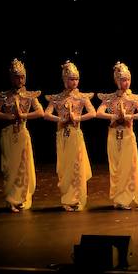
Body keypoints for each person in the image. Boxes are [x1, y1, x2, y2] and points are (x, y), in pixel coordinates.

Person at [0, 58, 43, 212]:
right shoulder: (4, 96)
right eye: (16, 77)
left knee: (23, 167)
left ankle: (21, 199)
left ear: (25, 77)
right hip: (8, 135)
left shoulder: (29, 95)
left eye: (21, 76)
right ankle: (11, 199)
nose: (19, 80)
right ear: (11, 78)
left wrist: (24, 116)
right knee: (10, 168)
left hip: (22, 133)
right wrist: (9, 117)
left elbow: (40, 112)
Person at [44, 61, 96, 211]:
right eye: (71, 79)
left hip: (75, 135)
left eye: (76, 79)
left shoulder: (82, 97)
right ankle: (67, 199)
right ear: (64, 80)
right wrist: (60, 119)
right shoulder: (58, 98)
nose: (74, 82)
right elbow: (46, 114)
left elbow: (92, 113)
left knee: (77, 167)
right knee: (65, 168)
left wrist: (78, 118)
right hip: (62, 136)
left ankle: (77, 199)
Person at [96, 62, 138, 209]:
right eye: (123, 80)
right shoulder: (111, 98)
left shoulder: (133, 98)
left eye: (128, 80)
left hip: (127, 135)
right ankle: (118, 199)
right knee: (116, 167)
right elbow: (99, 113)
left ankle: (126, 198)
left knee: (128, 167)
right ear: (117, 81)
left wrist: (129, 117)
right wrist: (112, 117)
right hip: (113, 135)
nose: (126, 83)